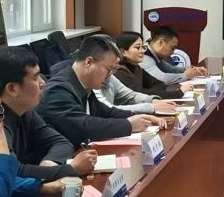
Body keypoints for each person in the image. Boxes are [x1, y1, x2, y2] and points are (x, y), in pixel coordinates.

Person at [0, 47, 99, 180]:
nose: (42, 83)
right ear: (12, 88)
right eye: (35, 77)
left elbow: (61, 142)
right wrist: (70, 169)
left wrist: (49, 164)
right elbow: (12, 171)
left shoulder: (24, 112)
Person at [38, 34, 167, 145]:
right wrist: (129, 125)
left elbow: (107, 112)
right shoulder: (58, 89)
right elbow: (85, 126)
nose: (109, 77)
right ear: (88, 62)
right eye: (108, 70)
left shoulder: (82, 85)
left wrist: (139, 117)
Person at [115, 31, 189, 99]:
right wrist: (177, 94)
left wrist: (148, 93)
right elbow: (137, 95)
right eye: (137, 47)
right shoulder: (120, 72)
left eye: (143, 47)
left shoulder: (137, 68)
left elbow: (160, 84)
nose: (142, 51)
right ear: (123, 52)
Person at [140, 25, 207, 85]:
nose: (172, 53)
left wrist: (193, 69)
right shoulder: (143, 55)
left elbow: (171, 70)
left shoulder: (153, 54)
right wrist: (185, 76)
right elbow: (161, 79)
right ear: (160, 42)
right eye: (172, 48)